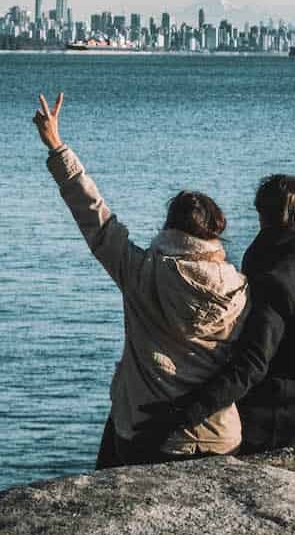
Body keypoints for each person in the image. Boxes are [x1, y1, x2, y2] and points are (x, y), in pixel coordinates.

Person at [32, 92, 249, 468]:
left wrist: (57, 146)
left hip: (148, 434)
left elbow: (96, 219)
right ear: (216, 232)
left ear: (169, 227)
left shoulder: (142, 271)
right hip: (219, 437)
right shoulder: (239, 287)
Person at [143, 173, 295, 454]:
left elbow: (250, 366)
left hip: (278, 429)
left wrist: (183, 412)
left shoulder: (275, 281)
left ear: (267, 219)